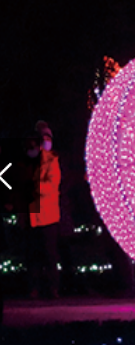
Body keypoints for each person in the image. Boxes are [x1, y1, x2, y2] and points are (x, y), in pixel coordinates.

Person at [26, 123, 62, 299]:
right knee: (33, 255)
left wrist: (33, 186)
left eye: (49, 138)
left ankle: (53, 288)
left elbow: (51, 185)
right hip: (32, 215)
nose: (46, 142)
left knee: (50, 254)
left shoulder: (52, 160)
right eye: (43, 138)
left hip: (48, 215)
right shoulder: (29, 159)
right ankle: (34, 288)